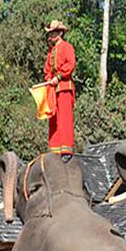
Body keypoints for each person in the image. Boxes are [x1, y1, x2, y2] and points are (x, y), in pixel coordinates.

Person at [43, 19, 76, 156]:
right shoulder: (51, 52)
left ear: (60, 33)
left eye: (54, 32)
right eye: (50, 33)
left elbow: (70, 64)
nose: (51, 35)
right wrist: (49, 80)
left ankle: (66, 148)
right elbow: (47, 70)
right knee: (54, 118)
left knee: (64, 118)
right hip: (53, 89)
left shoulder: (67, 47)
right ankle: (55, 148)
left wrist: (59, 77)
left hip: (64, 86)